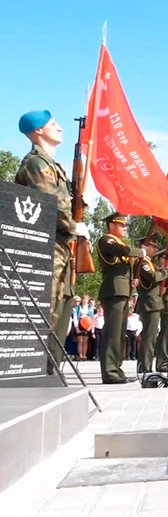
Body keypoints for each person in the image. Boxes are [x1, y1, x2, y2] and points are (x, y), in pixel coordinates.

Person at [15, 110, 90, 373]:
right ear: (37, 131)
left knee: (61, 314)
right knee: (47, 313)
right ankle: (38, 373)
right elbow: (52, 205)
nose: (58, 126)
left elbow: (67, 203)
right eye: (52, 123)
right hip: (45, 251)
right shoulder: (36, 164)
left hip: (59, 250)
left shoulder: (51, 165)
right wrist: (74, 225)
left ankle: (52, 373)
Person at [97, 213, 153, 384]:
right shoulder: (106, 240)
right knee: (112, 333)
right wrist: (141, 251)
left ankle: (116, 369)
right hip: (113, 291)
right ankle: (109, 371)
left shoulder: (118, 242)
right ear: (112, 225)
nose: (124, 228)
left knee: (120, 334)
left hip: (122, 291)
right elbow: (124, 251)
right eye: (122, 225)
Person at [133, 239, 168, 374]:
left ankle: (145, 365)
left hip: (152, 303)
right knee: (149, 336)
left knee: (151, 336)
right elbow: (153, 277)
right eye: (152, 246)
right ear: (143, 246)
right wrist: (164, 273)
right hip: (149, 303)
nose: (155, 248)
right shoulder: (143, 263)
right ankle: (145, 367)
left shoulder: (148, 262)